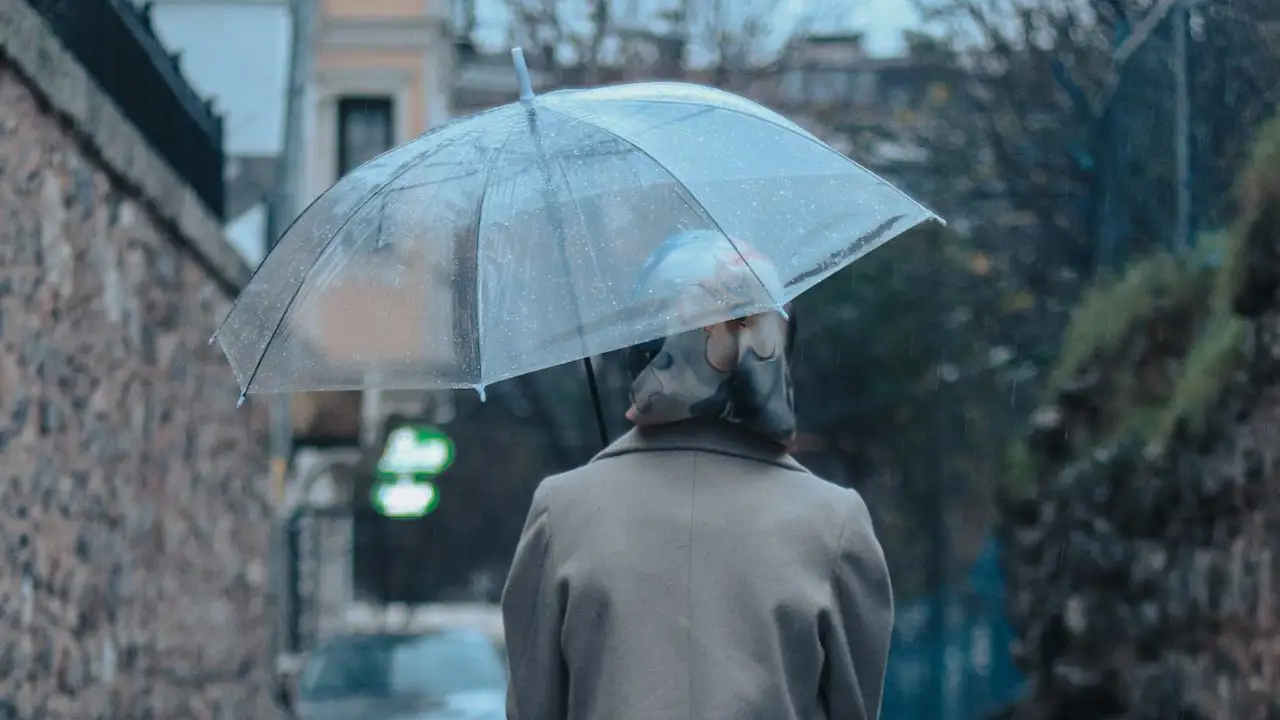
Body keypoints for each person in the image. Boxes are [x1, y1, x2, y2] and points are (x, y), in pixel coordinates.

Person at [501, 230, 894, 720]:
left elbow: (533, 708)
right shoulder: (834, 522)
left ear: (644, 342)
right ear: (776, 342)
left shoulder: (561, 511)